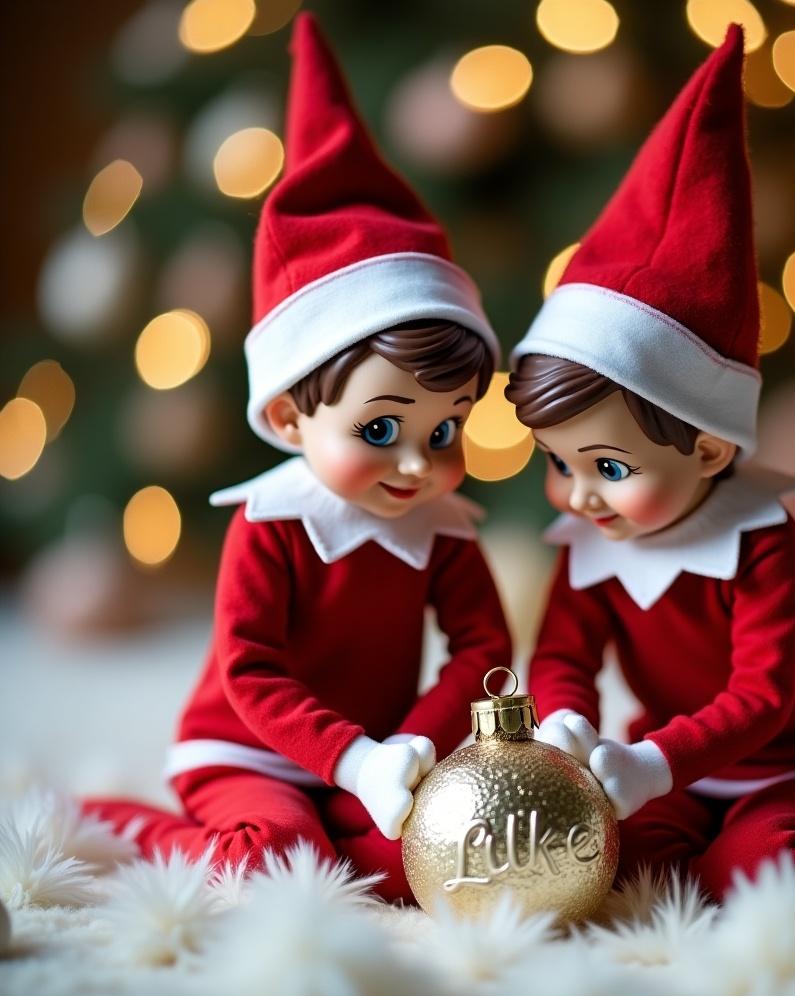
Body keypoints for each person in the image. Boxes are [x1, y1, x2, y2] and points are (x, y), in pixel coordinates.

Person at [84, 14, 511, 904]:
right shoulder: (272, 523)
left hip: (385, 759)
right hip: (253, 749)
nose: (417, 465)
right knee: (276, 860)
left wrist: (416, 748)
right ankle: (131, 821)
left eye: (447, 430)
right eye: (382, 430)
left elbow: (483, 648)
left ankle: (344, 818)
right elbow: (249, 673)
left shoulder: (443, 527)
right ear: (287, 416)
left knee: (423, 868)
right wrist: (354, 759)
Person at [505, 26, 795, 900]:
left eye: (607, 466)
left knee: (763, 874)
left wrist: (652, 763)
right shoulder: (588, 538)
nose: (577, 495)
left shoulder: (758, 538)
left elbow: (763, 697)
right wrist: (569, 720)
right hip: (661, 767)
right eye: (558, 463)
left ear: (710, 447)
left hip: (793, 768)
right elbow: (565, 646)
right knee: (618, 869)